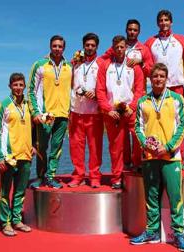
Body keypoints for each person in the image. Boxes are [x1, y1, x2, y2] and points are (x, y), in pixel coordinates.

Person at [131, 63, 184, 252]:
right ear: (150, 79)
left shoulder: (177, 99)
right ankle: (152, 232)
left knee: (175, 197)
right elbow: (137, 127)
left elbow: (182, 126)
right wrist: (144, 143)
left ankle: (179, 234)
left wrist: (169, 146)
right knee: (151, 196)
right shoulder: (143, 101)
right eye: (155, 76)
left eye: (161, 76)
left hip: (171, 157)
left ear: (167, 78)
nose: (158, 79)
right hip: (149, 156)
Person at [102, 19, 153, 169]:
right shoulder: (117, 46)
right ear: (126, 30)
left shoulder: (143, 49)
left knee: (137, 134)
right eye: (130, 29)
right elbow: (101, 61)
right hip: (117, 101)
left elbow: (150, 70)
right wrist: (78, 60)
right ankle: (125, 164)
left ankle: (138, 163)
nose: (132, 32)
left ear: (139, 32)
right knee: (121, 138)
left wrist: (140, 63)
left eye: (135, 30)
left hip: (136, 98)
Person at [96, 35, 144, 189]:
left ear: (126, 48)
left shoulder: (134, 66)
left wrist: (133, 106)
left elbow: (140, 89)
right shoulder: (105, 66)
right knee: (116, 147)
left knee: (138, 139)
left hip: (130, 110)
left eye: (122, 47)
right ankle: (116, 177)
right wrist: (108, 109)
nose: (119, 49)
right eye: (116, 47)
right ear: (113, 48)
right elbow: (100, 90)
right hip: (113, 112)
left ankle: (137, 166)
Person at [28, 35, 72, 189]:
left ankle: (51, 176)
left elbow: (72, 89)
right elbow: (31, 91)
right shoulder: (39, 65)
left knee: (56, 148)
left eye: (60, 46)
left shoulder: (70, 67)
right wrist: (35, 113)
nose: (57, 49)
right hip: (45, 115)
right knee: (41, 148)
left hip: (63, 115)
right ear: (50, 46)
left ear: (64, 48)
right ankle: (40, 176)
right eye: (54, 46)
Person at [145, 9, 184, 161]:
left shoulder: (182, 40)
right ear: (158, 23)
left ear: (171, 22)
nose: (163, 23)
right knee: (157, 122)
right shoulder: (150, 42)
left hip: (176, 86)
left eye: (166, 20)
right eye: (161, 20)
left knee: (179, 124)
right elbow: (147, 62)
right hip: (158, 87)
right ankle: (158, 155)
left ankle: (178, 157)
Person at [0, 73, 33, 236]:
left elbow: (33, 127)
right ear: (10, 86)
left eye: (21, 85)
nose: (18, 88)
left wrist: (34, 145)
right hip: (9, 157)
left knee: (20, 190)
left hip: (25, 156)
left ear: (24, 86)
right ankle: (5, 222)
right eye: (15, 85)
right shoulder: (3, 105)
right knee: (4, 191)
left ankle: (16, 219)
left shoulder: (28, 105)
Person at [68, 33, 104, 188]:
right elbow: (69, 83)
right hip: (76, 110)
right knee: (76, 146)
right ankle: (78, 175)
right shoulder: (75, 63)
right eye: (87, 45)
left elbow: (106, 86)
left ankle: (95, 176)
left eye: (92, 45)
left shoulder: (101, 64)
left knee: (95, 147)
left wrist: (96, 94)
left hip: (94, 112)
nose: (89, 48)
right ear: (83, 46)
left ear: (96, 47)